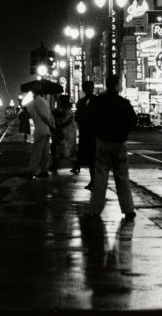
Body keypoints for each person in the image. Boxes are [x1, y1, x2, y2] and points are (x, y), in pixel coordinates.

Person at [84, 75, 137, 218]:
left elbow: (88, 119)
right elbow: (133, 120)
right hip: (119, 142)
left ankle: (95, 209)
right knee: (122, 176)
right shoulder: (123, 102)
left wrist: (98, 132)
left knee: (100, 175)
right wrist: (123, 133)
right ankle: (128, 209)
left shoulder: (97, 101)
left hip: (103, 141)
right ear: (116, 85)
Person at [23, 89, 55, 178]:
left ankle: (31, 171)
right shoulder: (45, 101)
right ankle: (44, 171)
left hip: (41, 130)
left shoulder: (37, 101)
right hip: (46, 130)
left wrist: (50, 125)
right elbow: (50, 115)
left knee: (36, 152)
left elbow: (43, 115)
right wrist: (52, 126)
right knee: (45, 152)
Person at [74, 80, 96, 186]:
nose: (89, 90)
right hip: (87, 133)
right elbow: (77, 117)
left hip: (92, 133)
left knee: (93, 158)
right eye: (87, 88)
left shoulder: (96, 101)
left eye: (90, 87)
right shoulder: (82, 102)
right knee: (90, 158)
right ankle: (94, 179)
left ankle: (94, 180)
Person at [50, 93, 75, 172]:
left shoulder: (67, 111)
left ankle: (55, 166)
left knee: (62, 150)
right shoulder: (65, 110)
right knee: (59, 149)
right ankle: (55, 166)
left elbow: (63, 121)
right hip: (63, 133)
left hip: (65, 133)